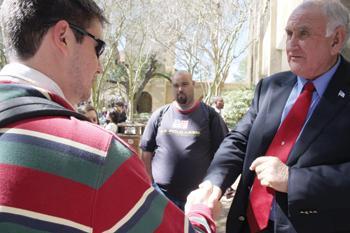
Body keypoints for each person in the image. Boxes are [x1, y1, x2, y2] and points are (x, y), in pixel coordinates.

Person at [0, 1, 215, 232]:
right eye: (98, 47)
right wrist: (201, 210)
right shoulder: (97, 155)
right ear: (63, 37)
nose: (100, 67)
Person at [186, 0, 350, 233]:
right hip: (247, 224)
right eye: (289, 33)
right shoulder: (271, 87)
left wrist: (293, 180)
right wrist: (213, 183)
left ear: (336, 39)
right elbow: (239, 140)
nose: (291, 44)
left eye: (303, 33)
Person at [140, 70, 228, 210]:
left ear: (193, 85)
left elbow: (223, 155)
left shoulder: (211, 117)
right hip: (161, 196)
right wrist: (149, 181)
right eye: (176, 85)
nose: (180, 89)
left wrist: (215, 187)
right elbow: (146, 150)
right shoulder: (159, 115)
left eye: (185, 84)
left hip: (197, 199)